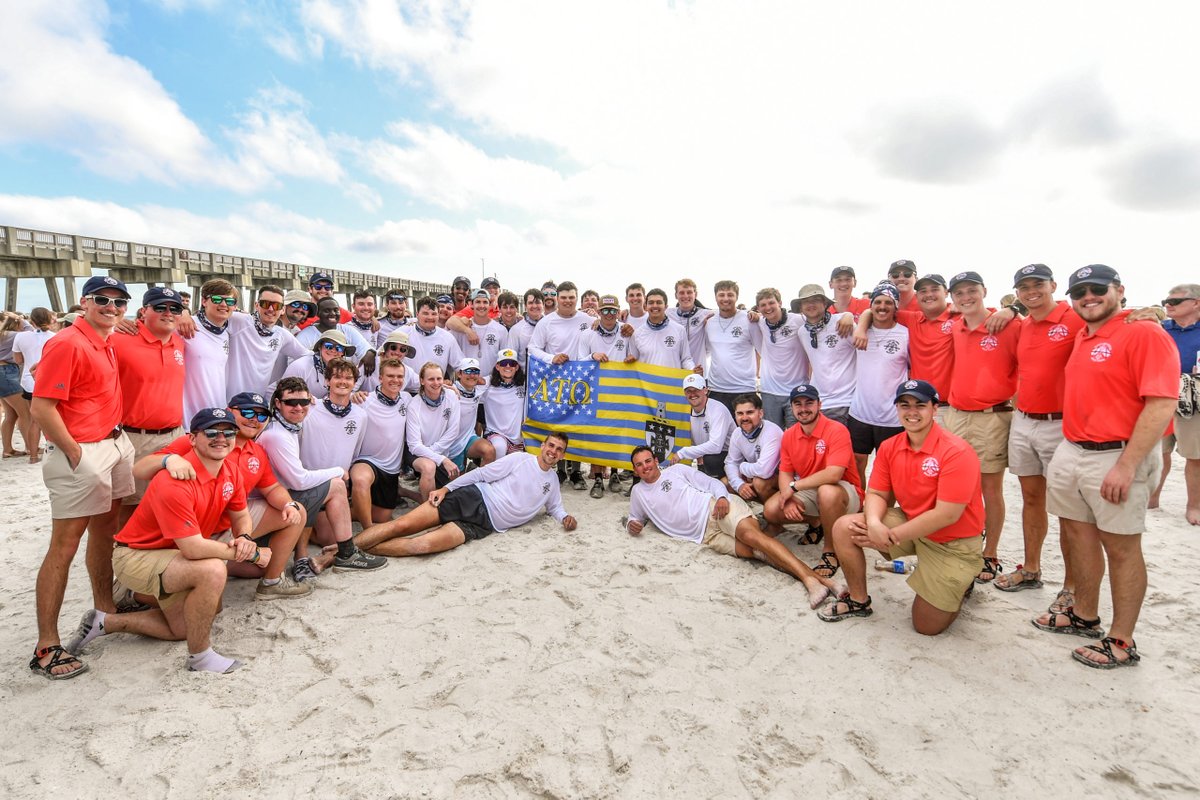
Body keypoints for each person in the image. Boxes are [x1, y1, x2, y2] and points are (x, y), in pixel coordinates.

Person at [1032, 265, 1178, 669]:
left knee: (1122, 547)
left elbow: (1161, 402)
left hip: (1117, 454)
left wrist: (1127, 465)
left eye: (1098, 289)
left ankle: (1121, 639)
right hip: (1074, 448)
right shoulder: (1084, 333)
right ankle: (1084, 614)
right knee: (1077, 535)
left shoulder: (1144, 331)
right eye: (1080, 291)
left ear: (1120, 290)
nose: (1088, 297)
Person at [63, 408, 260, 674]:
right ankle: (200, 657)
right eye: (212, 432)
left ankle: (104, 623)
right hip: (135, 556)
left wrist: (245, 537)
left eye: (228, 432)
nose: (221, 438)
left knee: (190, 622)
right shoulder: (174, 479)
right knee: (212, 569)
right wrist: (252, 554)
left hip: (170, 554)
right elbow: (193, 548)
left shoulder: (230, 470)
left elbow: (242, 516)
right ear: (191, 438)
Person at [29, 276, 137, 679]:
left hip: (112, 443)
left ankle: (104, 608)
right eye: (102, 300)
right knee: (64, 545)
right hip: (83, 452)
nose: (111, 307)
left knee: (105, 532)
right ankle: (46, 646)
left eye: (119, 302)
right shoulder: (67, 342)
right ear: (83, 301)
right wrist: (75, 453)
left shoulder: (104, 336)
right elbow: (42, 407)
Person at [819, 380, 984, 635]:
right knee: (845, 526)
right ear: (896, 409)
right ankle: (858, 600)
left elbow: (948, 514)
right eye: (904, 405)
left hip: (952, 542)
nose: (912, 411)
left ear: (934, 409)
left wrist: (892, 535)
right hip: (912, 524)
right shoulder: (891, 446)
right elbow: (876, 493)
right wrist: (874, 524)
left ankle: (963, 582)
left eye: (920, 405)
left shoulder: (956, 451)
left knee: (926, 626)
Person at [138, 392, 313, 599]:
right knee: (189, 600)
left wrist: (288, 504)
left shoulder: (256, 451)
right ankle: (143, 592)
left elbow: (272, 489)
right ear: (230, 412)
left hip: (229, 522)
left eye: (261, 415)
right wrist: (168, 460)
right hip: (191, 528)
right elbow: (139, 470)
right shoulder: (203, 440)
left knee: (296, 512)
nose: (254, 419)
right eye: (247, 412)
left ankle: (272, 581)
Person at [626, 446, 837, 609]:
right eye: (639, 465)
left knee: (756, 539)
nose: (645, 467)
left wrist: (721, 498)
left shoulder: (677, 470)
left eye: (648, 461)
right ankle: (824, 582)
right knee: (755, 552)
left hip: (715, 509)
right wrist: (631, 526)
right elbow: (635, 518)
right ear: (634, 469)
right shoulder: (638, 493)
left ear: (656, 460)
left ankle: (810, 581)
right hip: (705, 537)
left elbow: (712, 483)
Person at [993, 265, 1083, 607]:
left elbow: (1116, 320)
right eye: (1024, 287)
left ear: (1053, 286)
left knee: (1068, 508)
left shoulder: (1074, 318)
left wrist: (1143, 317)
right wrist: (1008, 309)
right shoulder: (1022, 323)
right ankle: (1031, 570)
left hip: (1061, 424)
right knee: (1032, 499)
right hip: (1024, 419)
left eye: (1038, 285)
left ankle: (1073, 586)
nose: (1032, 291)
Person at [355, 431, 577, 557]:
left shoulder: (552, 481)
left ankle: (351, 551)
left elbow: (555, 507)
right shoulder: (520, 459)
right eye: (551, 445)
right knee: (400, 526)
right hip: (473, 498)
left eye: (559, 449)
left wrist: (565, 518)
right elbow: (481, 473)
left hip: (484, 526)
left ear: (562, 456)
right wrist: (446, 488)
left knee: (420, 546)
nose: (553, 451)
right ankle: (342, 550)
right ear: (543, 445)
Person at [257, 377, 385, 580]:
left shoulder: (288, 426)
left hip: (278, 500)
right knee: (335, 485)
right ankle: (342, 554)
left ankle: (336, 552)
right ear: (278, 404)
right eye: (291, 403)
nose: (298, 407)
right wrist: (338, 471)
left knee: (330, 494)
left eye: (304, 402)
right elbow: (298, 481)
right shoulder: (277, 435)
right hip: (269, 506)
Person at [944, 270, 1020, 584]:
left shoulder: (1008, 324)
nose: (966, 297)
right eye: (959, 293)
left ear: (984, 291)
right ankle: (964, 544)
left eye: (971, 291)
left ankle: (990, 554)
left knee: (991, 488)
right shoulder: (955, 325)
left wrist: (1013, 308)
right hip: (957, 414)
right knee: (959, 486)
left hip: (993, 416)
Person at [762, 384, 864, 580]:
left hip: (844, 491)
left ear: (820, 405)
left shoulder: (836, 429)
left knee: (827, 491)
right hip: (810, 489)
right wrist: (788, 496)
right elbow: (785, 473)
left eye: (809, 403)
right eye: (798, 404)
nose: (803, 408)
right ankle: (817, 522)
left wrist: (794, 487)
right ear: (791, 408)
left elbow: (834, 474)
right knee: (771, 510)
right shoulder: (790, 434)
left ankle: (831, 550)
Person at [111, 287, 188, 526]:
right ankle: (122, 557)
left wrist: (187, 316)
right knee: (129, 506)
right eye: (160, 307)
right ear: (144, 311)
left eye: (174, 308)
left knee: (167, 502)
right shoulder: (119, 339)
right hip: (135, 438)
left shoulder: (179, 341)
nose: (168, 313)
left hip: (175, 437)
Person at [528, 281, 591, 489]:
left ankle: (576, 472)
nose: (567, 301)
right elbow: (533, 348)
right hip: (555, 380)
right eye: (563, 297)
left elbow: (608, 329)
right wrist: (551, 358)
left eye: (571, 297)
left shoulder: (589, 320)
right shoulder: (546, 322)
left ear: (576, 298)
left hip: (581, 380)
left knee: (578, 424)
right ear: (557, 299)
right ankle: (561, 470)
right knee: (559, 425)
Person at [847, 284, 909, 484]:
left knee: (888, 469)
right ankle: (860, 507)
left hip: (891, 416)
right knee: (857, 462)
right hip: (860, 412)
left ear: (896, 306)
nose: (883, 307)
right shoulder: (858, 331)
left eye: (888, 303)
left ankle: (883, 512)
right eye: (878, 302)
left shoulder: (906, 334)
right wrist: (854, 320)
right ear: (871, 305)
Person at [578, 294, 634, 496]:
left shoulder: (627, 332)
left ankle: (616, 472)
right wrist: (592, 357)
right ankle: (598, 478)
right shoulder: (587, 334)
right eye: (605, 311)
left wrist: (630, 358)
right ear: (599, 312)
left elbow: (635, 355)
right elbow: (579, 361)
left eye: (613, 311)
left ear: (618, 311)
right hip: (596, 389)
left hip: (620, 390)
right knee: (597, 434)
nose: (609, 315)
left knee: (618, 433)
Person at [350, 356, 413, 527]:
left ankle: (348, 507)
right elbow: (338, 403)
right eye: (390, 376)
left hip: (391, 469)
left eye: (399, 376)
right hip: (367, 461)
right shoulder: (365, 400)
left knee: (382, 517)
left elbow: (430, 392)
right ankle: (368, 531)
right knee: (361, 480)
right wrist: (351, 395)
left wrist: (449, 387)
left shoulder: (406, 399)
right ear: (380, 378)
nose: (395, 380)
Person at [1156, 283, 1200, 524]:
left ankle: (1194, 507)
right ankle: (1152, 500)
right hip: (1160, 397)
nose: (1168, 305)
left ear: (1196, 303)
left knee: (1195, 457)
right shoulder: (1161, 329)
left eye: (1175, 301)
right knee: (1158, 452)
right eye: (1166, 300)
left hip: (1194, 403)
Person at [227, 284, 311, 396]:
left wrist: (306, 391)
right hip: (230, 400)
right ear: (257, 305)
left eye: (276, 306)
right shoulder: (239, 321)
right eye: (265, 304)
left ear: (282, 310)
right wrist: (194, 321)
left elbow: (308, 356)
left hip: (259, 403)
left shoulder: (282, 335)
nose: (271, 309)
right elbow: (209, 317)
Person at [795, 284, 856, 425]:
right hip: (818, 403)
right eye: (806, 301)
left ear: (825, 303)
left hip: (845, 401)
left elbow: (865, 352)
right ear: (800, 307)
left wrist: (849, 315)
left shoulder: (843, 323)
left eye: (816, 299)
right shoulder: (802, 332)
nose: (811, 304)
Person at [752, 288, 809, 431]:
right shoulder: (761, 322)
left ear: (780, 303)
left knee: (795, 436)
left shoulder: (799, 320)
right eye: (763, 305)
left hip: (795, 390)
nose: (768, 308)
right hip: (769, 391)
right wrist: (753, 315)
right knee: (772, 435)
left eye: (771, 303)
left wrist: (847, 316)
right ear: (759, 308)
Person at [405, 362, 463, 501]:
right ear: (422, 381)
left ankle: (407, 493)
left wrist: (434, 453)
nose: (436, 383)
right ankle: (427, 513)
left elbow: (453, 431)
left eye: (439, 378)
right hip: (416, 453)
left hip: (438, 451)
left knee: (453, 496)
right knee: (429, 467)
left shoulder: (451, 396)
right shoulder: (414, 405)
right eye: (431, 379)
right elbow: (414, 445)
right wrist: (441, 459)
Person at [182, 279, 236, 422]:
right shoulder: (186, 325)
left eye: (229, 302)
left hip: (218, 416)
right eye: (217, 299)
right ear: (204, 301)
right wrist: (182, 314)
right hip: (188, 419)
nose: (224, 305)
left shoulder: (229, 331)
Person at [703, 280, 761, 412]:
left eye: (730, 295)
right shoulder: (709, 321)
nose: (725, 298)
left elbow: (762, 350)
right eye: (721, 295)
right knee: (718, 431)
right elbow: (706, 351)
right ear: (715, 297)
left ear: (737, 297)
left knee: (745, 431)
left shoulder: (749, 320)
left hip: (744, 388)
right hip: (716, 388)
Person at [11, 306, 58, 462]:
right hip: (51, 379)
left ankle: (32, 456)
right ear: (50, 319)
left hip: (29, 380)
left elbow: (18, 360)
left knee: (34, 419)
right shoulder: (55, 336)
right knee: (55, 417)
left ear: (32, 320)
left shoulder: (21, 337)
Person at [670, 374, 734, 481]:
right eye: (688, 391)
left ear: (705, 390)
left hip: (731, 456)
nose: (692, 394)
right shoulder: (685, 412)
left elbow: (715, 446)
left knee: (710, 460)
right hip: (708, 457)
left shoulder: (718, 409)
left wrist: (682, 453)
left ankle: (721, 482)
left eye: (696, 390)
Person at [725, 393, 783, 504]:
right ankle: (762, 510)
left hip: (784, 480)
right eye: (740, 413)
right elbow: (731, 463)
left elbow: (764, 471)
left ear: (760, 413)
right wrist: (740, 485)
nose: (745, 418)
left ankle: (774, 516)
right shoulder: (737, 433)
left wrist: (742, 467)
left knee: (759, 482)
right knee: (727, 483)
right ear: (735, 415)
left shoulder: (772, 432)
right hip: (756, 475)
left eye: (750, 412)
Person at [296, 297, 376, 375]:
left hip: (342, 379)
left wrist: (369, 354)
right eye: (327, 311)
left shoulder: (348, 330)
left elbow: (367, 350)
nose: (333, 314)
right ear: (318, 313)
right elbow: (297, 364)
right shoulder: (304, 336)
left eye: (336, 310)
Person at [447, 357, 497, 471]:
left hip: (469, 438)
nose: (472, 375)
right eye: (468, 371)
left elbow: (494, 375)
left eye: (475, 372)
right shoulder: (450, 391)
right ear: (459, 374)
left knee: (489, 451)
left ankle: (479, 484)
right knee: (455, 485)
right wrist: (444, 384)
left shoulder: (478, 389)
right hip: (451, 443)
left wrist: (484, 380)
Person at [630, 288, 696, 372]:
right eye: (651, 303)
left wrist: (693, 369)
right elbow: (633, 360)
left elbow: (686, 359)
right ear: (645, 307)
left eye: (659, 302)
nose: (654, 306)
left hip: (671, 384)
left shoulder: (679, 330)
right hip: (646, 384)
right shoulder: (637, 334)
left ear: (666, 306)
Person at [281, 329, 359, 399]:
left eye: (339, 348)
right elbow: (285, 394)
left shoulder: (344, 370)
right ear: (320, 347)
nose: (333, 350)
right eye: (329, 346)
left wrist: (354, 396)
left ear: (343, 353)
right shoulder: (301, 366)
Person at [447, 289, 508, 377]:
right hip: (467, 383)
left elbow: (504, 359)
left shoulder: (501, 330)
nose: (481, 305)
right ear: (471, 305)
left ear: (490, 305)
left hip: (492, 384)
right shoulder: (461, 328)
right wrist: (467, 331)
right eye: (478, 302)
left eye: (485, 302)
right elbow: (451, 354)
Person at [1, 310, 34, 459]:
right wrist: (20, 319)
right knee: (25, 413)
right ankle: (30, 446)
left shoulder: (3, 335)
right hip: (7, 372)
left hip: (3, 372)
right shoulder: (13, 335)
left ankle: (8, 449)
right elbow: (31, 332)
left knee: (10, 414)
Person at [403, 296, 464, 376]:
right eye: (425, 313)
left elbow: (460, 365)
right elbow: (383, 358)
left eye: (434, 314)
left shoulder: (448, 338)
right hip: (408, 387)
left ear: (438, 315)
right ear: (417, 314)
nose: (430, 317)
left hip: (436, 386)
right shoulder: (403, 333)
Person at [483, 348, 527, 460]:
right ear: (497, 366)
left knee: (515, 468)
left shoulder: (524, 384)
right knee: (499, 447)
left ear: (517, 367)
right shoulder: (488, 383)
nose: (508, 366)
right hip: (496, 434)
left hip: (518, 439)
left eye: (512, 363)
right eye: (503, 363)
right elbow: (469, 385)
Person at [667, 278, 714, 369]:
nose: (685, 296)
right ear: (676, 295)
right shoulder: (667, 314)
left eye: (689, 292)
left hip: (698, 371)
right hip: (674, 372)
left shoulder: (705, 314)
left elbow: (729, 312)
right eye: (681, 293)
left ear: (695, 294)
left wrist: (749, 313)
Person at [507, 288, 544, 366]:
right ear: (525, 306)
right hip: (524, 376)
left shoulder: (550, 326)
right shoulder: (516, 330)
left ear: (543, 304)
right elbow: (511, 359)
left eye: (537, 302)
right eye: (530, 303)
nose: (534, 306)